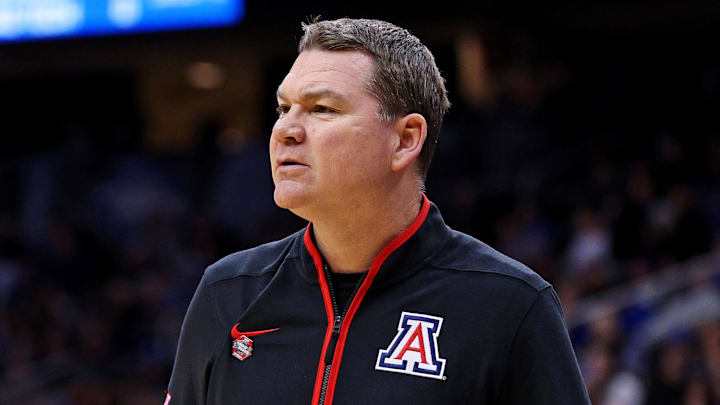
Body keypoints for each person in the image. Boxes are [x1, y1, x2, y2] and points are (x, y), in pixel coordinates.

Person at [166, 18, 590, 405]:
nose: (285, 130)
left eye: (322, 109)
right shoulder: (227, 292)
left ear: (406, 139)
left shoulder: (511, 305)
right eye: (284, 108)